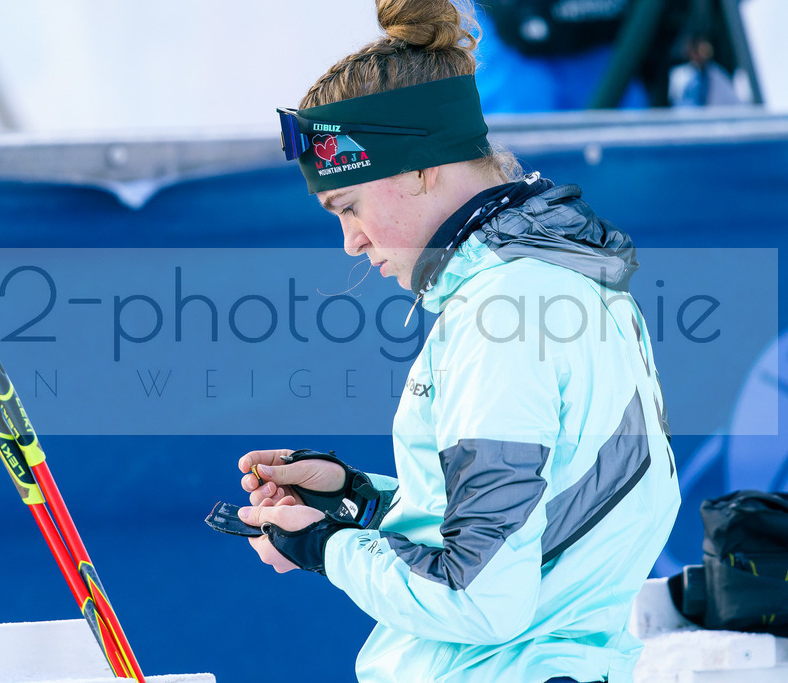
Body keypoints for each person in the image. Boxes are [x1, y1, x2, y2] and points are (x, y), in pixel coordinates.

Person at [234, 1, 681, 681]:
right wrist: (358, 501)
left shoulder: (503, 312)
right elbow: (538, 521)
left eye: (348, 206)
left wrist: (326, 547)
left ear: (418, 166)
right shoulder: (560, 281)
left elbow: (477, 598)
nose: (351, 241)